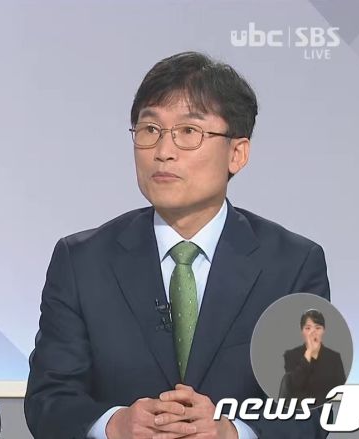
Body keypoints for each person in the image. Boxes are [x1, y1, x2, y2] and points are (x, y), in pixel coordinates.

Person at [24, 52, 330, 439]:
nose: (163, 151)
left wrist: (231, 431)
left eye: (188, 132)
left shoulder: (293, 264)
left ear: (237, 153)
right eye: (150, 129)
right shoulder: (82, 261)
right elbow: (49, 398)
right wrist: (115, 424)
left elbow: (311, 410)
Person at [280, 309, 346, 405]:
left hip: (326, 409)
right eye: (308, 328)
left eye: (318, 328)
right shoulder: (291, 355)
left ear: (323, 330)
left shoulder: (334, 357)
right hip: (299, 410)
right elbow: (294, 386)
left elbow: (341, 390)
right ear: (302, 331)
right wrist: (309, 353)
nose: (313, 332)